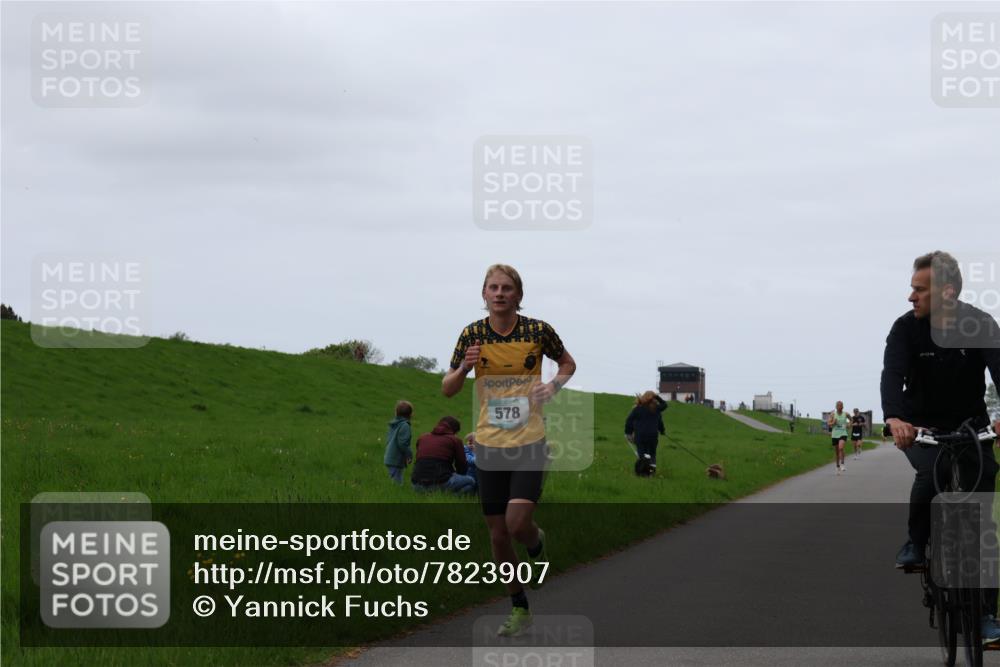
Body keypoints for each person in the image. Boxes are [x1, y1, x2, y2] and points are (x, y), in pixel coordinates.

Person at [441, 263, 576, 637]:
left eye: (506, 288)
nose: (499, 293)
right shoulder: (472, 335)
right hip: (488, 444)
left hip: (529, 441)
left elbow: (567, 363)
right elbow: (448, 388)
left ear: (518, 295)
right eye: (492, 288)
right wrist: (463, 370)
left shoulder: (537, 331)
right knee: (498, 534)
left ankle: (536, 539)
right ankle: (519, 607)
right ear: (484, 295)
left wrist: (553, 387)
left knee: (517, 525)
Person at [880, 251, 1000, 641]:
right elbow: (892, 376)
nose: (910, 297)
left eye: (919, 289)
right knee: (933, 472)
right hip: (920, 428)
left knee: (982, 522)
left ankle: (984, 617)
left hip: (971, 429)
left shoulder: (980, 324)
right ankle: (916, 541)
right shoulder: (904, 329)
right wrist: (896, 419)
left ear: (946, 292)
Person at [411, 416, 476, 494]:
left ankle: (438, 495)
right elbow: (461, 466)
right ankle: (452, 497)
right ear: (454, 430)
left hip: (416, 485)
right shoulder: (455, 440)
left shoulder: (422, 437)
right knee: (471, 481)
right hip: (440, 482)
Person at [624, 391, 668, 474]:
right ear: (653, 398)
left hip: (640, 436)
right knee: (652, 454)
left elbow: (629, 421)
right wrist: (662, 431)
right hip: (653, 437)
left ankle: (642, 472)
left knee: (642, 455)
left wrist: (628, 432)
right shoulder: (656, 409)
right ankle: (651, 471)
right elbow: (664, 407)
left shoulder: (637, 409)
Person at [383, 400, 413, 484]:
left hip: (390, 457)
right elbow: (403, 444)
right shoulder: (404, 426)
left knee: (394, 481)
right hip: (396, 459)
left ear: (396, 413)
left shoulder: (394, 424)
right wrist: (409, 455)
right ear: (411, 415)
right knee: (397, 483)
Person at [828, 401, 849, 474]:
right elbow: (829, 424)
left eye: (841, 406)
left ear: (843, 407)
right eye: (838, 406)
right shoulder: (833, 414)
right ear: (836, 407)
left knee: (841, 447)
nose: (840, 407)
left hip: (843, 433)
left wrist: (849, 425)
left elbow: (851, 420)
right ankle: (837, 466)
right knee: (837, 452)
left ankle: (842, 464)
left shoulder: (846, 414)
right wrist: (833, 422)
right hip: (835, 435)